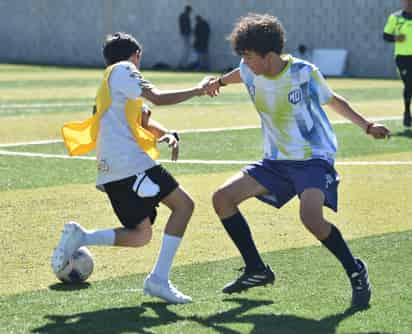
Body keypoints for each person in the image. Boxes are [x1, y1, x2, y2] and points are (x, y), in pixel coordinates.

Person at [204, 14, 391, 309]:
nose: (245, 62)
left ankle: (356, 271)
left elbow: (333, 100)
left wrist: (367, 125)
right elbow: (236, 74)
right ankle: (256, 269)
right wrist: (217, 83)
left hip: (312, 159)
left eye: (249, 56)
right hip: (275, 161)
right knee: (222, 199)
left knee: (311, 219)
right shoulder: (248, 69)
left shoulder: (303, 72)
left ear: (269, 55)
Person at [52, 32, 211, 304]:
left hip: (112, 170)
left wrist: (166, 133)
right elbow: (157, 98)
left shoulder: (110, 84)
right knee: (184, 206)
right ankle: (158, 280)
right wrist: (198, 89)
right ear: (135, 56)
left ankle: (82, 237)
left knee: (141, 235)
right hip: (130, 164)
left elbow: (141, 119)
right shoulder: (125, 70)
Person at [383, 0, 412, 127]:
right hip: (402, 57)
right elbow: (386, 36)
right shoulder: (395, 17)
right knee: (409, 84)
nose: (409, 3)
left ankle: (407, 113)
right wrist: (396, 38)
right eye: (407, 0)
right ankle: (407, 111)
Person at [178, 5, 192, 69]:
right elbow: (185, 26)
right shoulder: (185, 16)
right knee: (185, 50)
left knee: (185, 50)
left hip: (185, 34)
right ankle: (182, 65)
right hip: (185, 34)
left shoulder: (183, 16)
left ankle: (183, 65)